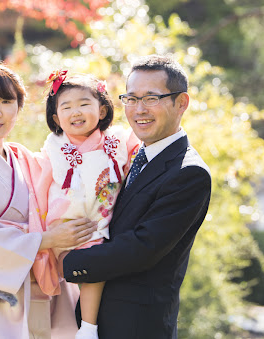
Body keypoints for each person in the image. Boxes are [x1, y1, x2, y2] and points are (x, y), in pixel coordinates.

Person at [0, 63, 98, 339]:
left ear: (18, 108)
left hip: (42, 289)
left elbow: (66, 195)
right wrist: (46, 239)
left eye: (6, 101)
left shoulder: (25, 159)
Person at [61, 55, 212, 338]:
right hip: (90, 323)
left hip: (136, 326)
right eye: (131, 99)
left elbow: (141, 249)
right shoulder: (127, 154)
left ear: (182, 103)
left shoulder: (189, 173)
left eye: (151, 98)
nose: (139, 110)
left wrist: (66, 263)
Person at [16, 72, 139, 339]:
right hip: (67, 223)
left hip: (103, 222)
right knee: (85, 264)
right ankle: (88, 327)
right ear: (56, 118)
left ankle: (88, 326)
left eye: (84, 104)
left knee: (94, 264)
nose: (76, 112)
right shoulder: (55, 148)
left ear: (102, 109)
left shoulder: (117, 139)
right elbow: (40, 182)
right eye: (66, 106)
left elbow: (137, 153)